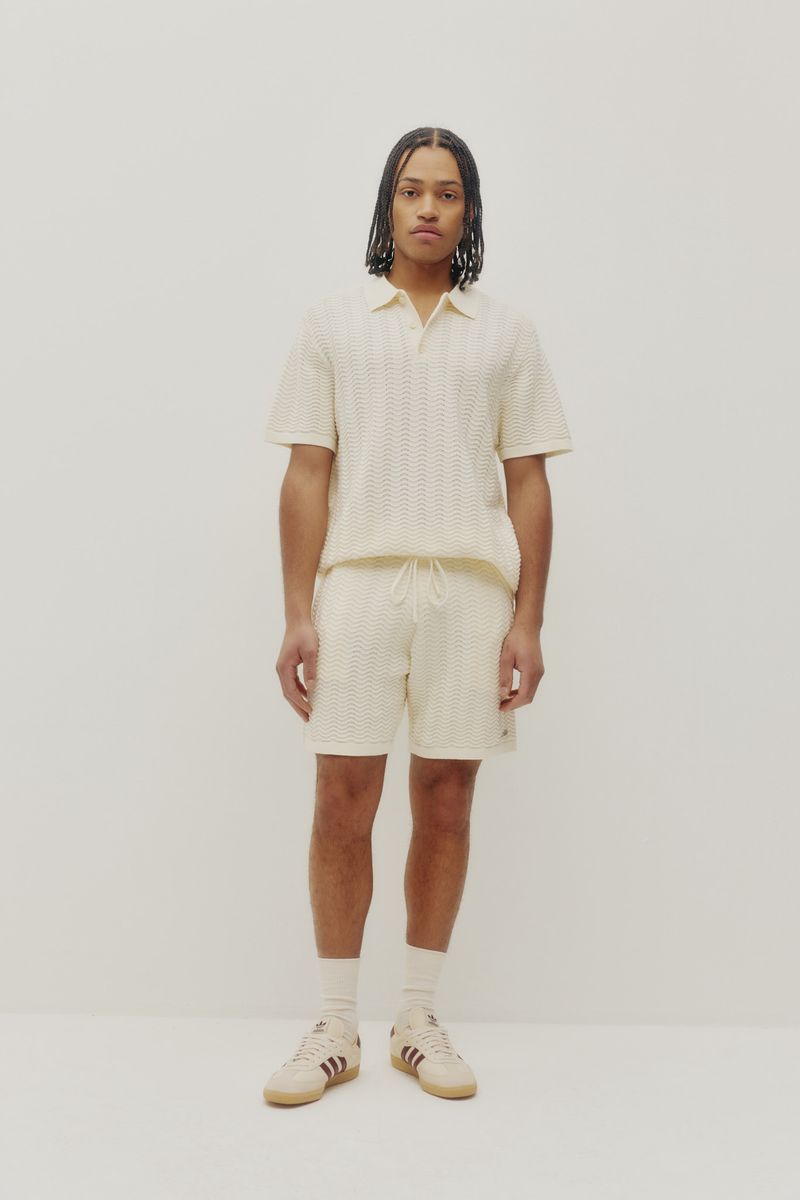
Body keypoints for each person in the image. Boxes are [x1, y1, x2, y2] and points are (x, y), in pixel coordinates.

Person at [261, 127, 574, 1105]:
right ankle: (333, 1025)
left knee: (445, 798)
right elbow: (305, 473)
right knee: (340, 798)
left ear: (468, 210)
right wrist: (297, 611)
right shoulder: (333, 323)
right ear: (387, 204)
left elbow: (528, 483)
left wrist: (527, 621)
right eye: (411, 190)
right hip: (358, 584)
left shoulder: (505, 332)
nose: (428, 207)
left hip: (470, 591)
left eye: (446, 192)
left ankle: (416, 1016)